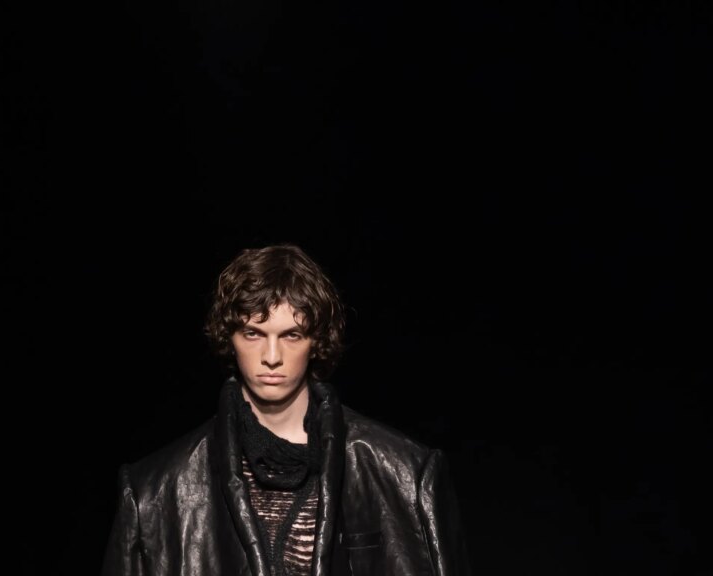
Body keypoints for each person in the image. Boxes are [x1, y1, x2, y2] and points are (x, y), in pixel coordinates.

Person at [102, 244, 470, 576]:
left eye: (291, 335)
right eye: (253, 333)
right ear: (229, 338)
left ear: (316, 341)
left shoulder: (406, 475)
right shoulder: (154, 492)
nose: (272, 357)